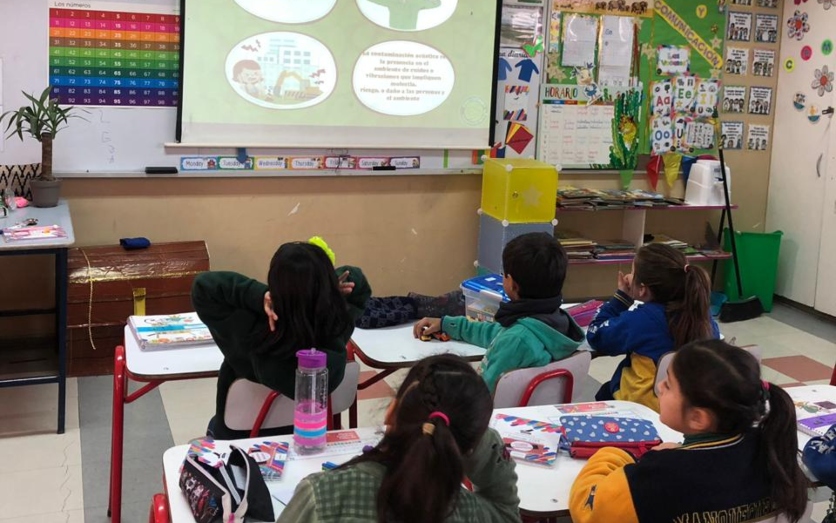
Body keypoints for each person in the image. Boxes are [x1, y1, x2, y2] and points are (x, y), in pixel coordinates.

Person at [569, 340, 809, 523]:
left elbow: (589, 510)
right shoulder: (773, 451)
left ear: (698, 418)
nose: (660, 387)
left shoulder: (658, 475)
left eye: (669, 384)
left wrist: (616, 455)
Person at [278, 354, 521, 523]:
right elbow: (507, 511)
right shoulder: (472, 513)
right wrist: (470, 432)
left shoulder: (323, 495)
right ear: (471, 447)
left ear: (391, 412)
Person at [192, 238, 371, 439]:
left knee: (211, 426)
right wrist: (327, 291)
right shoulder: (334, 325)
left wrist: (259, 296)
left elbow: (203, 286)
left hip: (241, 437)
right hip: (309, 437)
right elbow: (359, 283)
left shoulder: (250, 329)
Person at [413, 232, 585, 392]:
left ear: (512, 284)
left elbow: (481, 395)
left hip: (492, 417)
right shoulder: (554, 322)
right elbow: (494, 333)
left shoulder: (517, 340)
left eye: (504, 274)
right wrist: (447, 324)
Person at [587, 243, 719, 410]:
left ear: (642, 289)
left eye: (633, 272)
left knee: (605, 392)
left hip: (643, 408)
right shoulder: (702, 315)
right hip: (689, 404)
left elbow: (597, 336)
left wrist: (621, 299)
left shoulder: (641, 319)